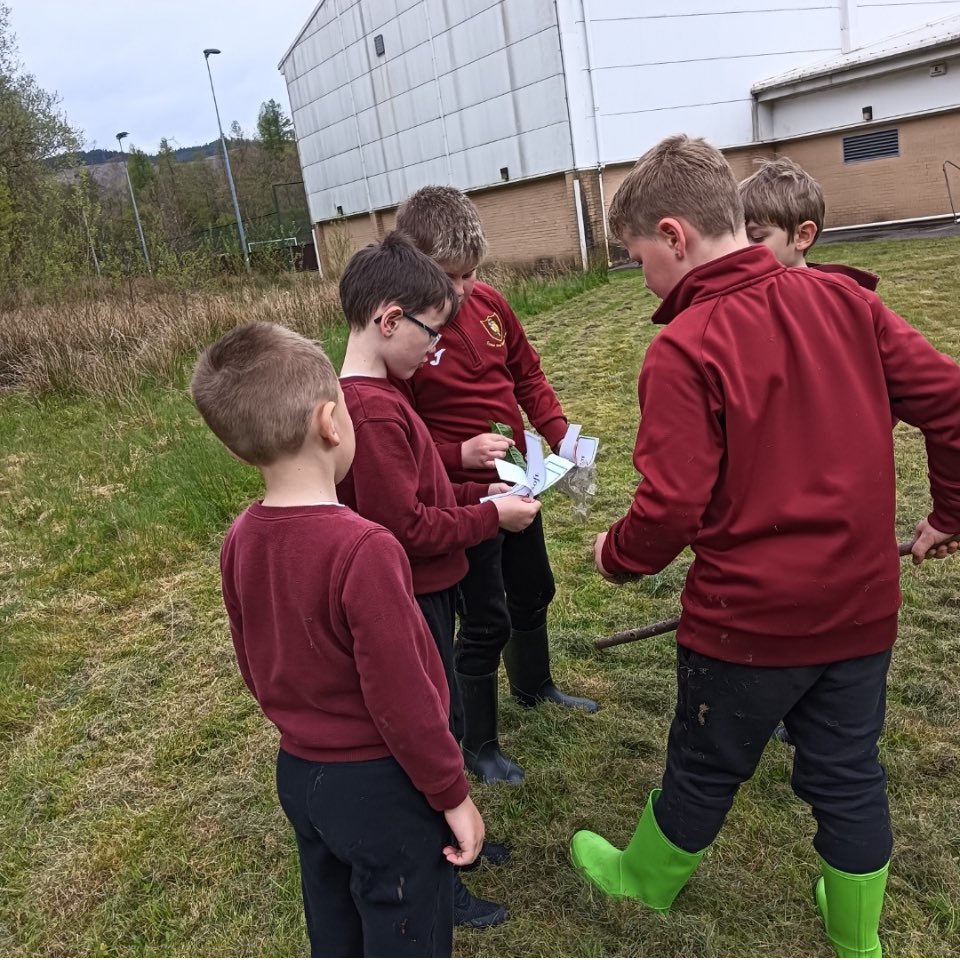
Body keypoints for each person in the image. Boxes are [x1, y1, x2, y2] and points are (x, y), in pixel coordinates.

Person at [570, 135, 960, 958]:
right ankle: (859, 937)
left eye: (638, 258)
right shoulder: (850, 306)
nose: (642, 279)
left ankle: (644, 880)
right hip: (860, 613)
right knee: (849, 773)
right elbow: (952, 402)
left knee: (705, 764)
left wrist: (615, 555)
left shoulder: (685, 347)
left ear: (674, 237)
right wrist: (949, 513)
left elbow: (670, 505)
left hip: (746, 626)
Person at [191, 321, 485, 957]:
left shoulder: (239, 539)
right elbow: (404, 696)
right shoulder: (365, 549)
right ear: (332, 422)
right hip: (381, 785)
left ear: (242, 453)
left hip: (299, 773)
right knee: (404, 923)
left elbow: (253, 661)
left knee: (332, 920)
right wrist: (453, 794)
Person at [336, 231, 541, 928]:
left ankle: (463, 838)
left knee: (447, 719)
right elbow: (410, 526)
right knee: (436, 727)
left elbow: (427, 489)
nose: (436, 348)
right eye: (431, 332)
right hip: (414, 598)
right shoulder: (369, 409)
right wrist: (491, 518)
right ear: (389, 320)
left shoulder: (388, 398)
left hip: (434, 589)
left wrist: (484, 495)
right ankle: (441, 878)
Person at [394, 186, 598, 786]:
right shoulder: (405, 339)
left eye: (471, 273)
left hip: (520, 487)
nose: (462, 288)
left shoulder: (490, 306)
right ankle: (477, 745)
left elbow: (527, 375)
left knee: (533, 589)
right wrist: (456, 454)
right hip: (463, 504)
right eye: (450, 276)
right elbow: (395, 438)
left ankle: (536, 686)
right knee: (484, 617)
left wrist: (560, 436)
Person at [740, 155, 879, 290]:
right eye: (739, 237)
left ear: (802, 236)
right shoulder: (745, 295)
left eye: (757, 237)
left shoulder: (843, 297)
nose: (743, 247)